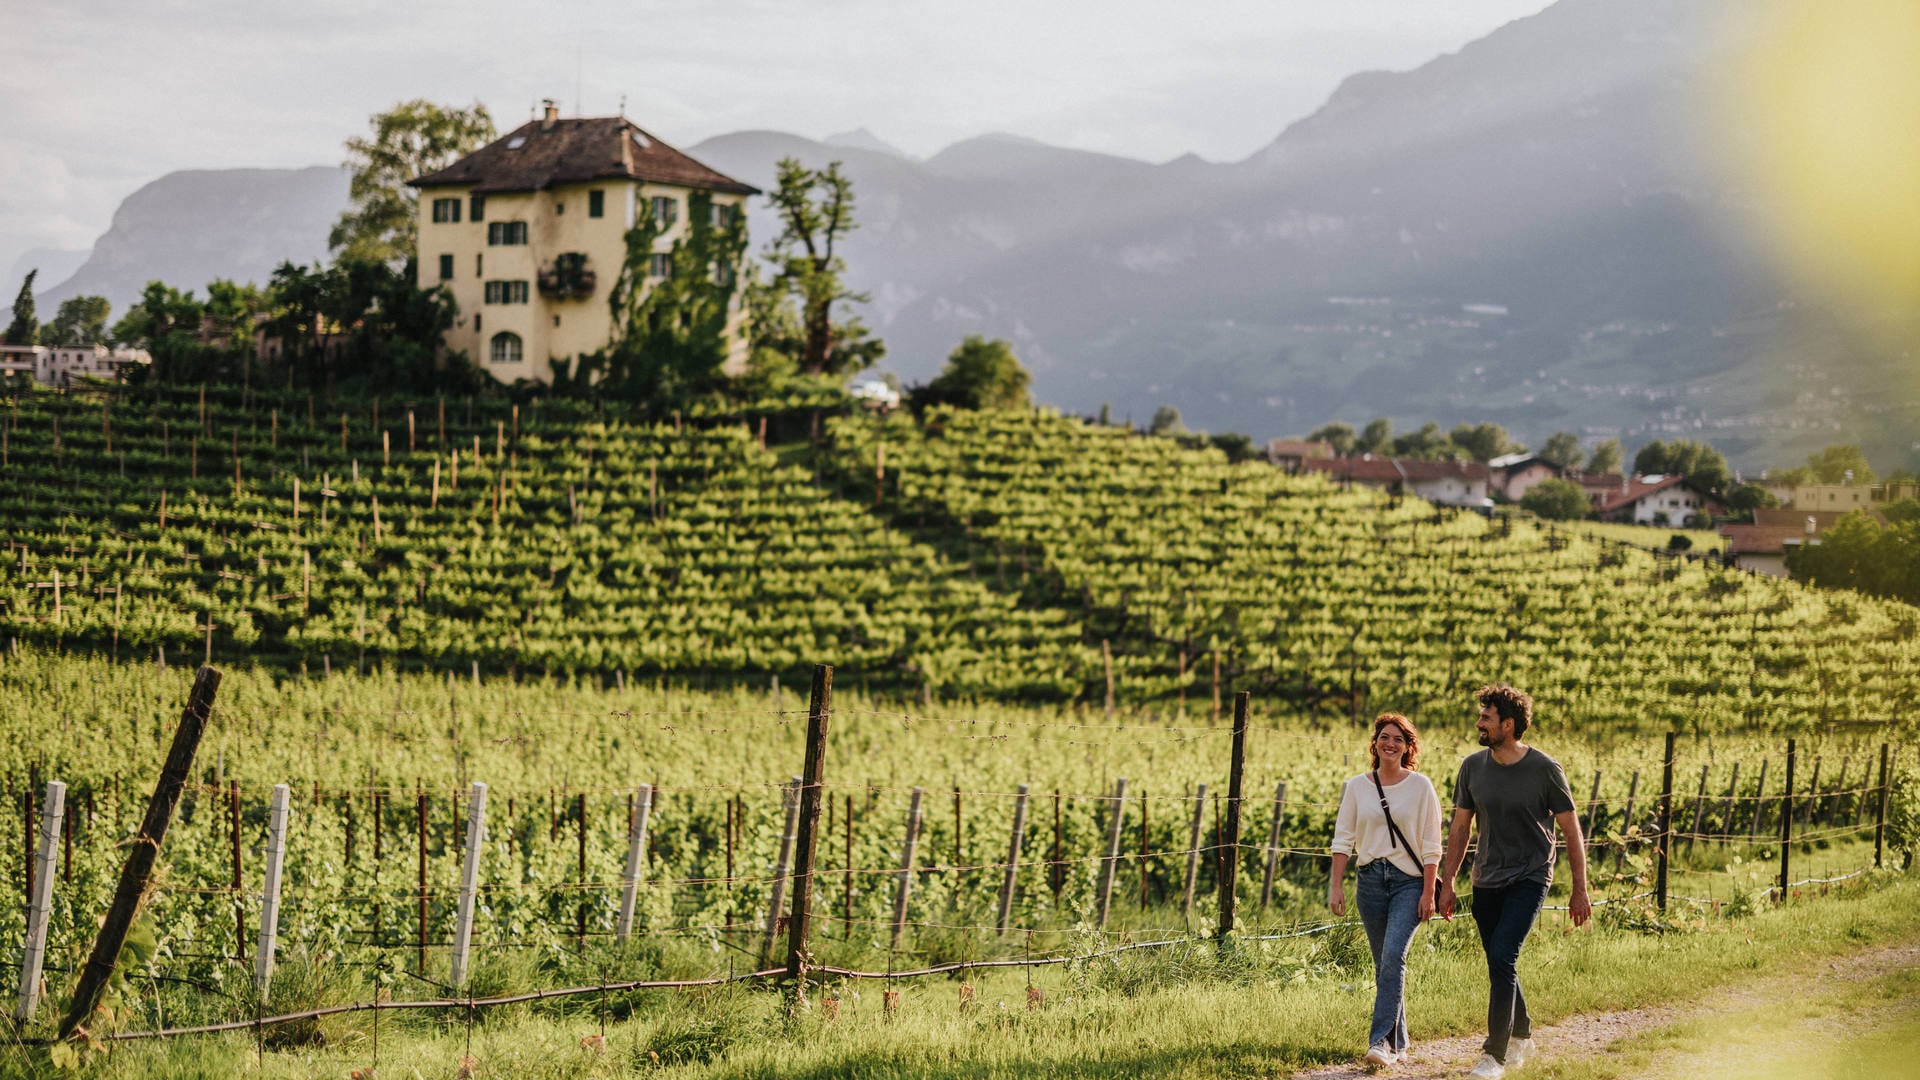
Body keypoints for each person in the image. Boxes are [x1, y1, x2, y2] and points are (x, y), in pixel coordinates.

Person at [1436, 685, 1591, 1080]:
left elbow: (1571, 831)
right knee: (1498, 960)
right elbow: (1460, 827)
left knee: (1503, 956)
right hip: (1486, 878)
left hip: (1530, 875)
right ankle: (1522, 1034)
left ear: (1508, 725)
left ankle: (1494, 1056)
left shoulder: (1545, 769)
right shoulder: (1472, 767)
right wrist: (1448, 881)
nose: (1479, 723)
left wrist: (1580, 889)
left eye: (1486, 718)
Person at [1330, 713, 1444, 1069]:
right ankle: (1400, 1041)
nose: (1390, 744)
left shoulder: (1421, 787)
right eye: (1384, 737)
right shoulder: (1356, 787)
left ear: (1408, 747)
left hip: (1409, 882)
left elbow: (1432, 845)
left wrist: (1429, 891)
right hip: (1370, 881)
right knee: (1385, 964)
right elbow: (1343, 839)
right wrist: (1336, 886)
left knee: (1394, 957)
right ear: (1375, 742)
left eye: (1398, 739)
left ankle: (1380, 1041)